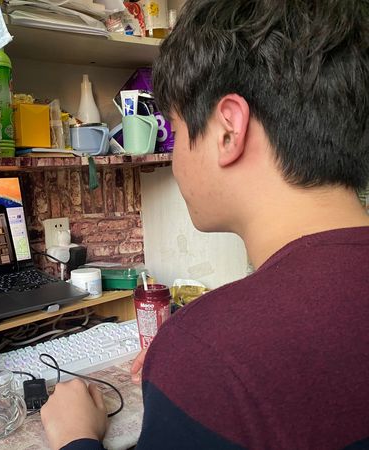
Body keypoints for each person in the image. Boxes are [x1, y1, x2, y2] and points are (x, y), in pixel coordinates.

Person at [40, 0, 369, 448]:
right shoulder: (211, 352)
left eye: (175, 131)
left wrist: (75, 437)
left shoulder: (206, 352)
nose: (175, 159)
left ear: (228, 130)